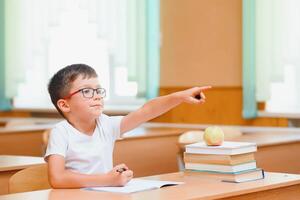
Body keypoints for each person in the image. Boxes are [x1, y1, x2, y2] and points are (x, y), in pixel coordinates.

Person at [45, 63, 211, 188]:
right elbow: (57, 179)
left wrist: (179, 97)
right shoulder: (61, 132)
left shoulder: (106, 124)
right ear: (65, 105)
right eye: (86, 91)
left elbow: (147, 110)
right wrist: (107, 180)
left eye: (98, 90)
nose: (96, 96)